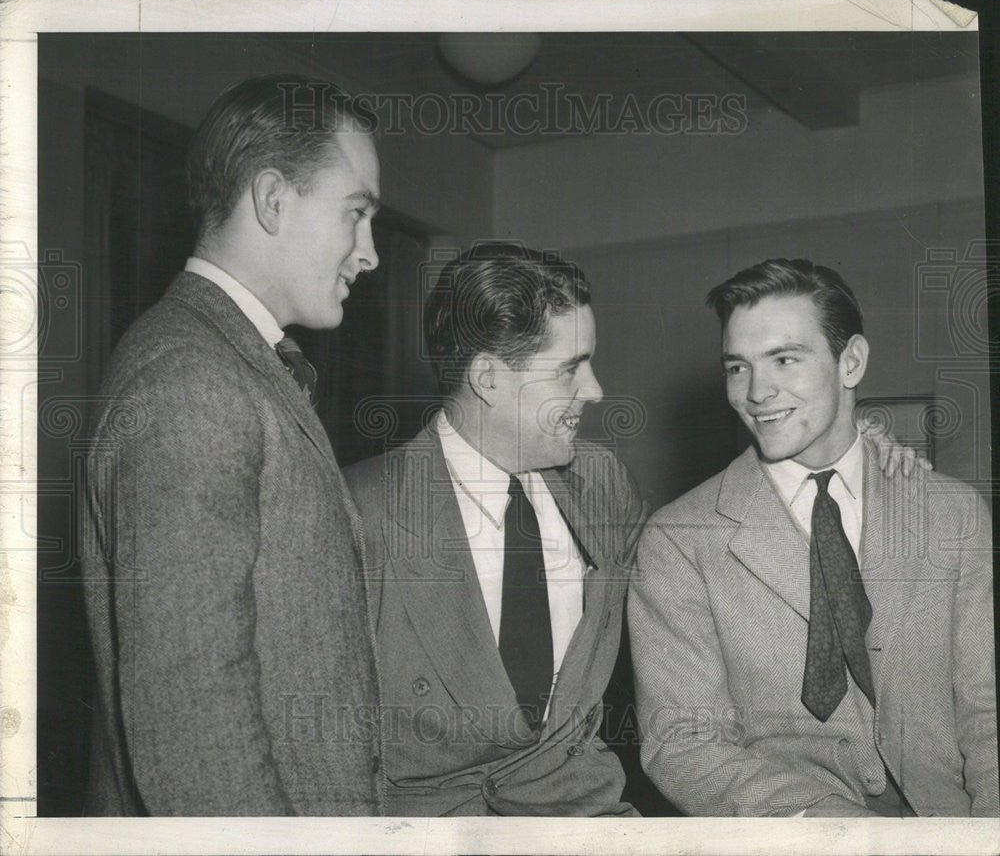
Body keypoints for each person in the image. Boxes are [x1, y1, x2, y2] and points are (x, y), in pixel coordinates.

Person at [81, 74, 384, 815]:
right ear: (273, 200)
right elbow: (195, 732)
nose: (369, 252)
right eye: (357, 214)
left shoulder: (227, 361)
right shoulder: (194, 381)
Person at [629, 258, 997, 817]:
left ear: (850, 361)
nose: (756, 392)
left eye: (784, 359)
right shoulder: (680, 540)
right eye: (737, 367)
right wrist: (833, 828)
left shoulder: (953, 514)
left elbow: (986, 712)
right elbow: (683, 743)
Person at [344, 242, 647, 816]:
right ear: (487, 376)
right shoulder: (359, 512)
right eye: (568, 369)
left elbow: (697, 558)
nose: (595, 390)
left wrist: (846, 454)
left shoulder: (602, 484)